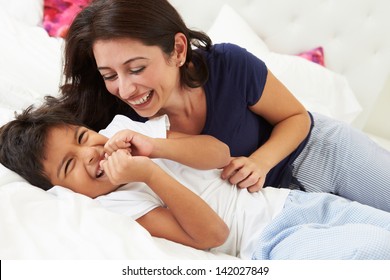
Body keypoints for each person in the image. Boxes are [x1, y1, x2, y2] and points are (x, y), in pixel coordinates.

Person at [50, 0, 390, 212]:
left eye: (137, 68)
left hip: (321, 151)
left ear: (179, 50)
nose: (125, 88)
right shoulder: (116, 120)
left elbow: (295, 117)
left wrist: (260, 162)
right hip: (283, 206)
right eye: (109, 74)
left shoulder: (229, 65)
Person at [1, 105, 390, 260]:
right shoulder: (113, 207)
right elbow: (213, 234)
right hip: (270, 242)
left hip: (298, 204)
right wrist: (148, 174)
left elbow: (219, 154)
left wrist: (154, 147)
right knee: (368, 255)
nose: (90, 154)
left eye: (83, 138)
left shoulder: (126, 132)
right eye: (70, 164)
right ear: (61, 190)